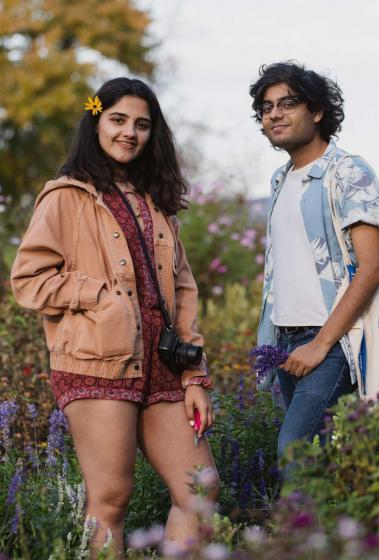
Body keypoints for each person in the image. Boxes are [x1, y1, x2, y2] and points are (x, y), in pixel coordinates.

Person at [11, 77, 218, 557]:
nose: (130, 133)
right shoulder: (65, 196)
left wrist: (195, 375)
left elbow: (183, 290)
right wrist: (100, 296)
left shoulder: (157, 201)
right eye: (118, 120)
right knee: (110, 500)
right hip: (97, 363)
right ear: (96, 121)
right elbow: (28, 279)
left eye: (142, 125)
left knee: (200, 490)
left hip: (164, 366)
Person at [250, 62, 379, 458]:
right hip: (287, 340)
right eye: (266, 107)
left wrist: (320, 344)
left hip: (333, 339)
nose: (274, 113)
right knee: (323, 457)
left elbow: (372, 266)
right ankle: (345, 521)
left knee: (295, 449)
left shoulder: (349, 173)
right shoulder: (279, 180)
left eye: (288, 103)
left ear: (317, 111)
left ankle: (301, 522)